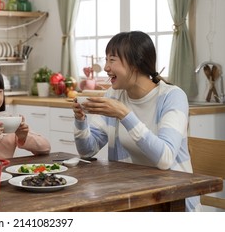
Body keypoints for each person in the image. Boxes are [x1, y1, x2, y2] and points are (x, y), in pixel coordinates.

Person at [72, 31, 200, 211]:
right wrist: (81, 121)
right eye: (106, 59)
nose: (106, 67)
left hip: (172, 202)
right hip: (132, 199)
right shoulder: (114, 95)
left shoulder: (172, 97)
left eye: (112, 60)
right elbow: (87, 151)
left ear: (135, 64)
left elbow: (165, 158)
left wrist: (125, 115)